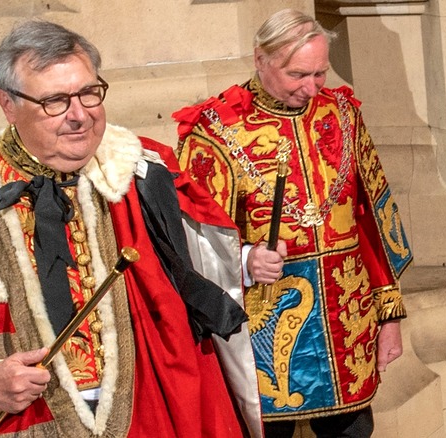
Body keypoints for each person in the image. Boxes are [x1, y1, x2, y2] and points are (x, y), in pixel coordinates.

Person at [0, 20, 263, 437]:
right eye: (55, 101)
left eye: (88, 93)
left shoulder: (142, 173)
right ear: (7, 104)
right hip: (24, 423)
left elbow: (201, 267)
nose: (79, 116)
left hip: (150, 414)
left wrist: (243, 262)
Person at [173, 8, 413, 438]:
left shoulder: (343, 114)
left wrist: (389, 314)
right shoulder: (214, 129)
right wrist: (247, 259)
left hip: (348, 320)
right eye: (298, 74)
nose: (312, 87)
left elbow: (374, 220)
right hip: (266, 321)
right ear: (260, 59)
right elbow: (196, 242)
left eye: (320, 73)